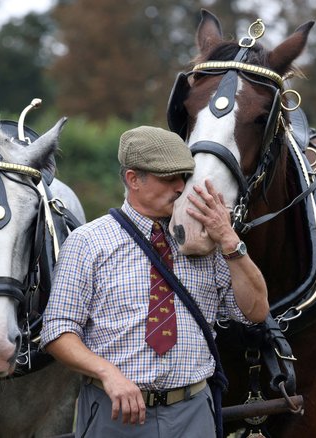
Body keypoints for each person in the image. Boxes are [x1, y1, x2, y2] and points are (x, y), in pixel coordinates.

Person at [41, 126, 268, 437]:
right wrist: (108, 374)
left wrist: (229, 239)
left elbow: (255, 312)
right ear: (134, 179)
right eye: (168, 178)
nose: (180, 188)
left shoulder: (206, 239)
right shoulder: (87, 242)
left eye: (184, 177)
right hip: (114, 413)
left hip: (192, 412)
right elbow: (57, 331)